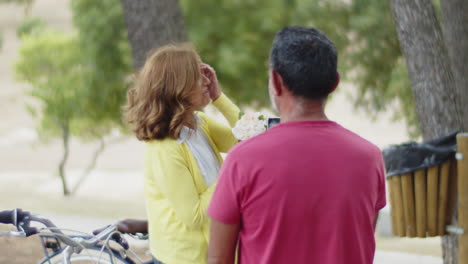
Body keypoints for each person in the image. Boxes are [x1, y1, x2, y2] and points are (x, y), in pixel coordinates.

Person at [207, 26, 386, 264]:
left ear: (275, 81)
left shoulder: (243, 159)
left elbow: (218, 259)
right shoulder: (370, 158)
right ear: (335, 83)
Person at [123, 43, 240, 264]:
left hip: (212, 253)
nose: (207, 80)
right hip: (182, 258)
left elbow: (252, 140)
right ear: (178, 87)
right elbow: (194, 216)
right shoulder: (165, 149)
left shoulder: (199, 124)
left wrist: (219, 98)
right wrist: (232, 168)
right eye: (198, 76)